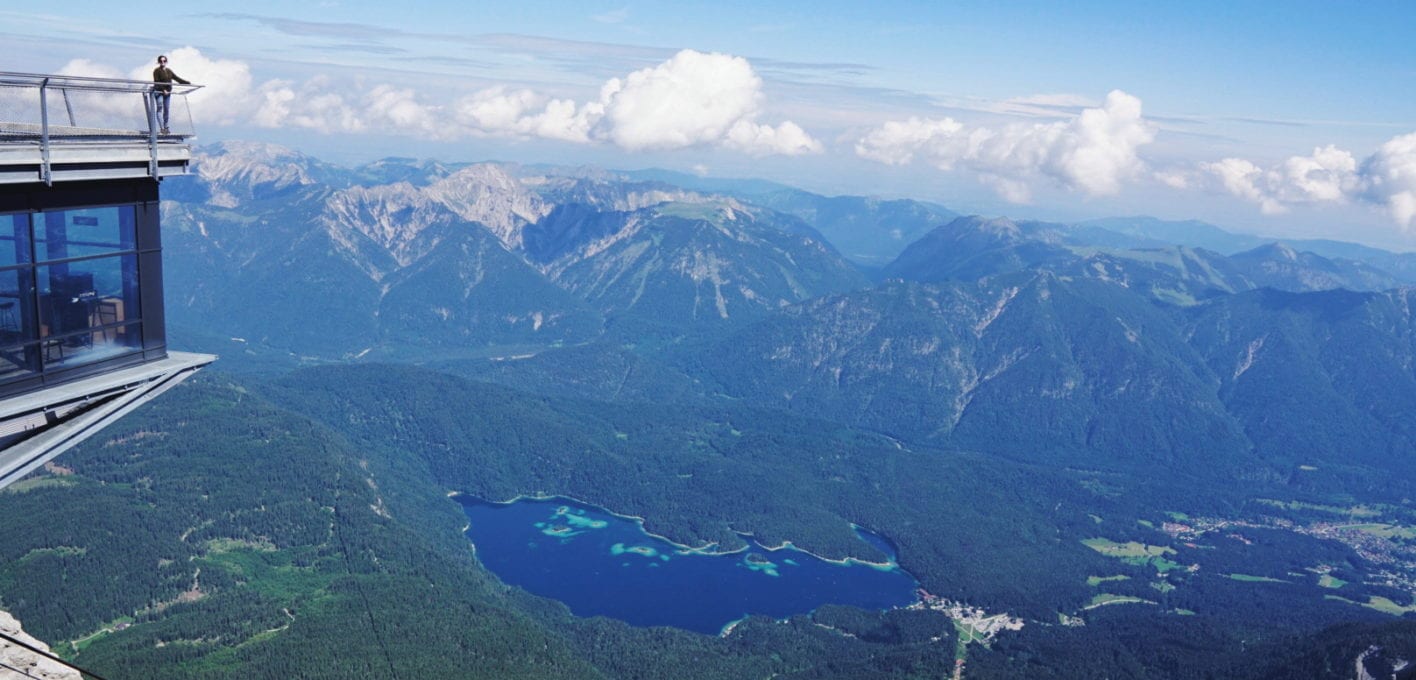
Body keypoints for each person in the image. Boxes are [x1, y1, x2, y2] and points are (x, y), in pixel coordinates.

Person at [152, 55, 190, 134]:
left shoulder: (169, 71)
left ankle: (166, 126)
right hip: (159, 92)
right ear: (159, 62)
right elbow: (156, 81)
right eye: (161, 61)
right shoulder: (156, 71)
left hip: (167, 93)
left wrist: (186, 83)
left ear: (166, 62)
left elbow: (177, 78)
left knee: (166, 109)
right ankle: (162, 128)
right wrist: (163, 90)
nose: (163, 62)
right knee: (160, 107)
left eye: (164, 61)